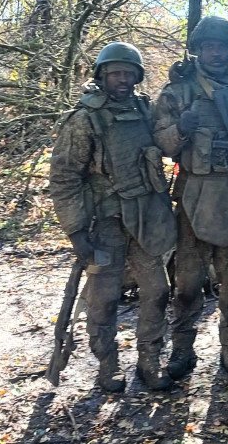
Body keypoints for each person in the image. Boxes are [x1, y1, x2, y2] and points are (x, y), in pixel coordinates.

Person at [48, 42, 176, 393]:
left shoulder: (144, 110)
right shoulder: (85, 119)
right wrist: (75, 230)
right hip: (105, 224)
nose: (122, 78)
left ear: (137, 76)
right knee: (103, 298)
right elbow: (63, 177)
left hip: (145, 219)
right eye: (114, 72)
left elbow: (167, 141)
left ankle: (150, 360)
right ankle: (107, 364)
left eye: (128, 73)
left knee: (159, 290)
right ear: (102, 75)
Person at [154, 16, 228, 378]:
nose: (215, 53)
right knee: (187, 283)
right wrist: (182, 127)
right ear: (197, 50)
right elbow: (160, 140)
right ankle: (182, 350)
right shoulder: (178, 91)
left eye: (222, 46)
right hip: (193, 194)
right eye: (208, 46)